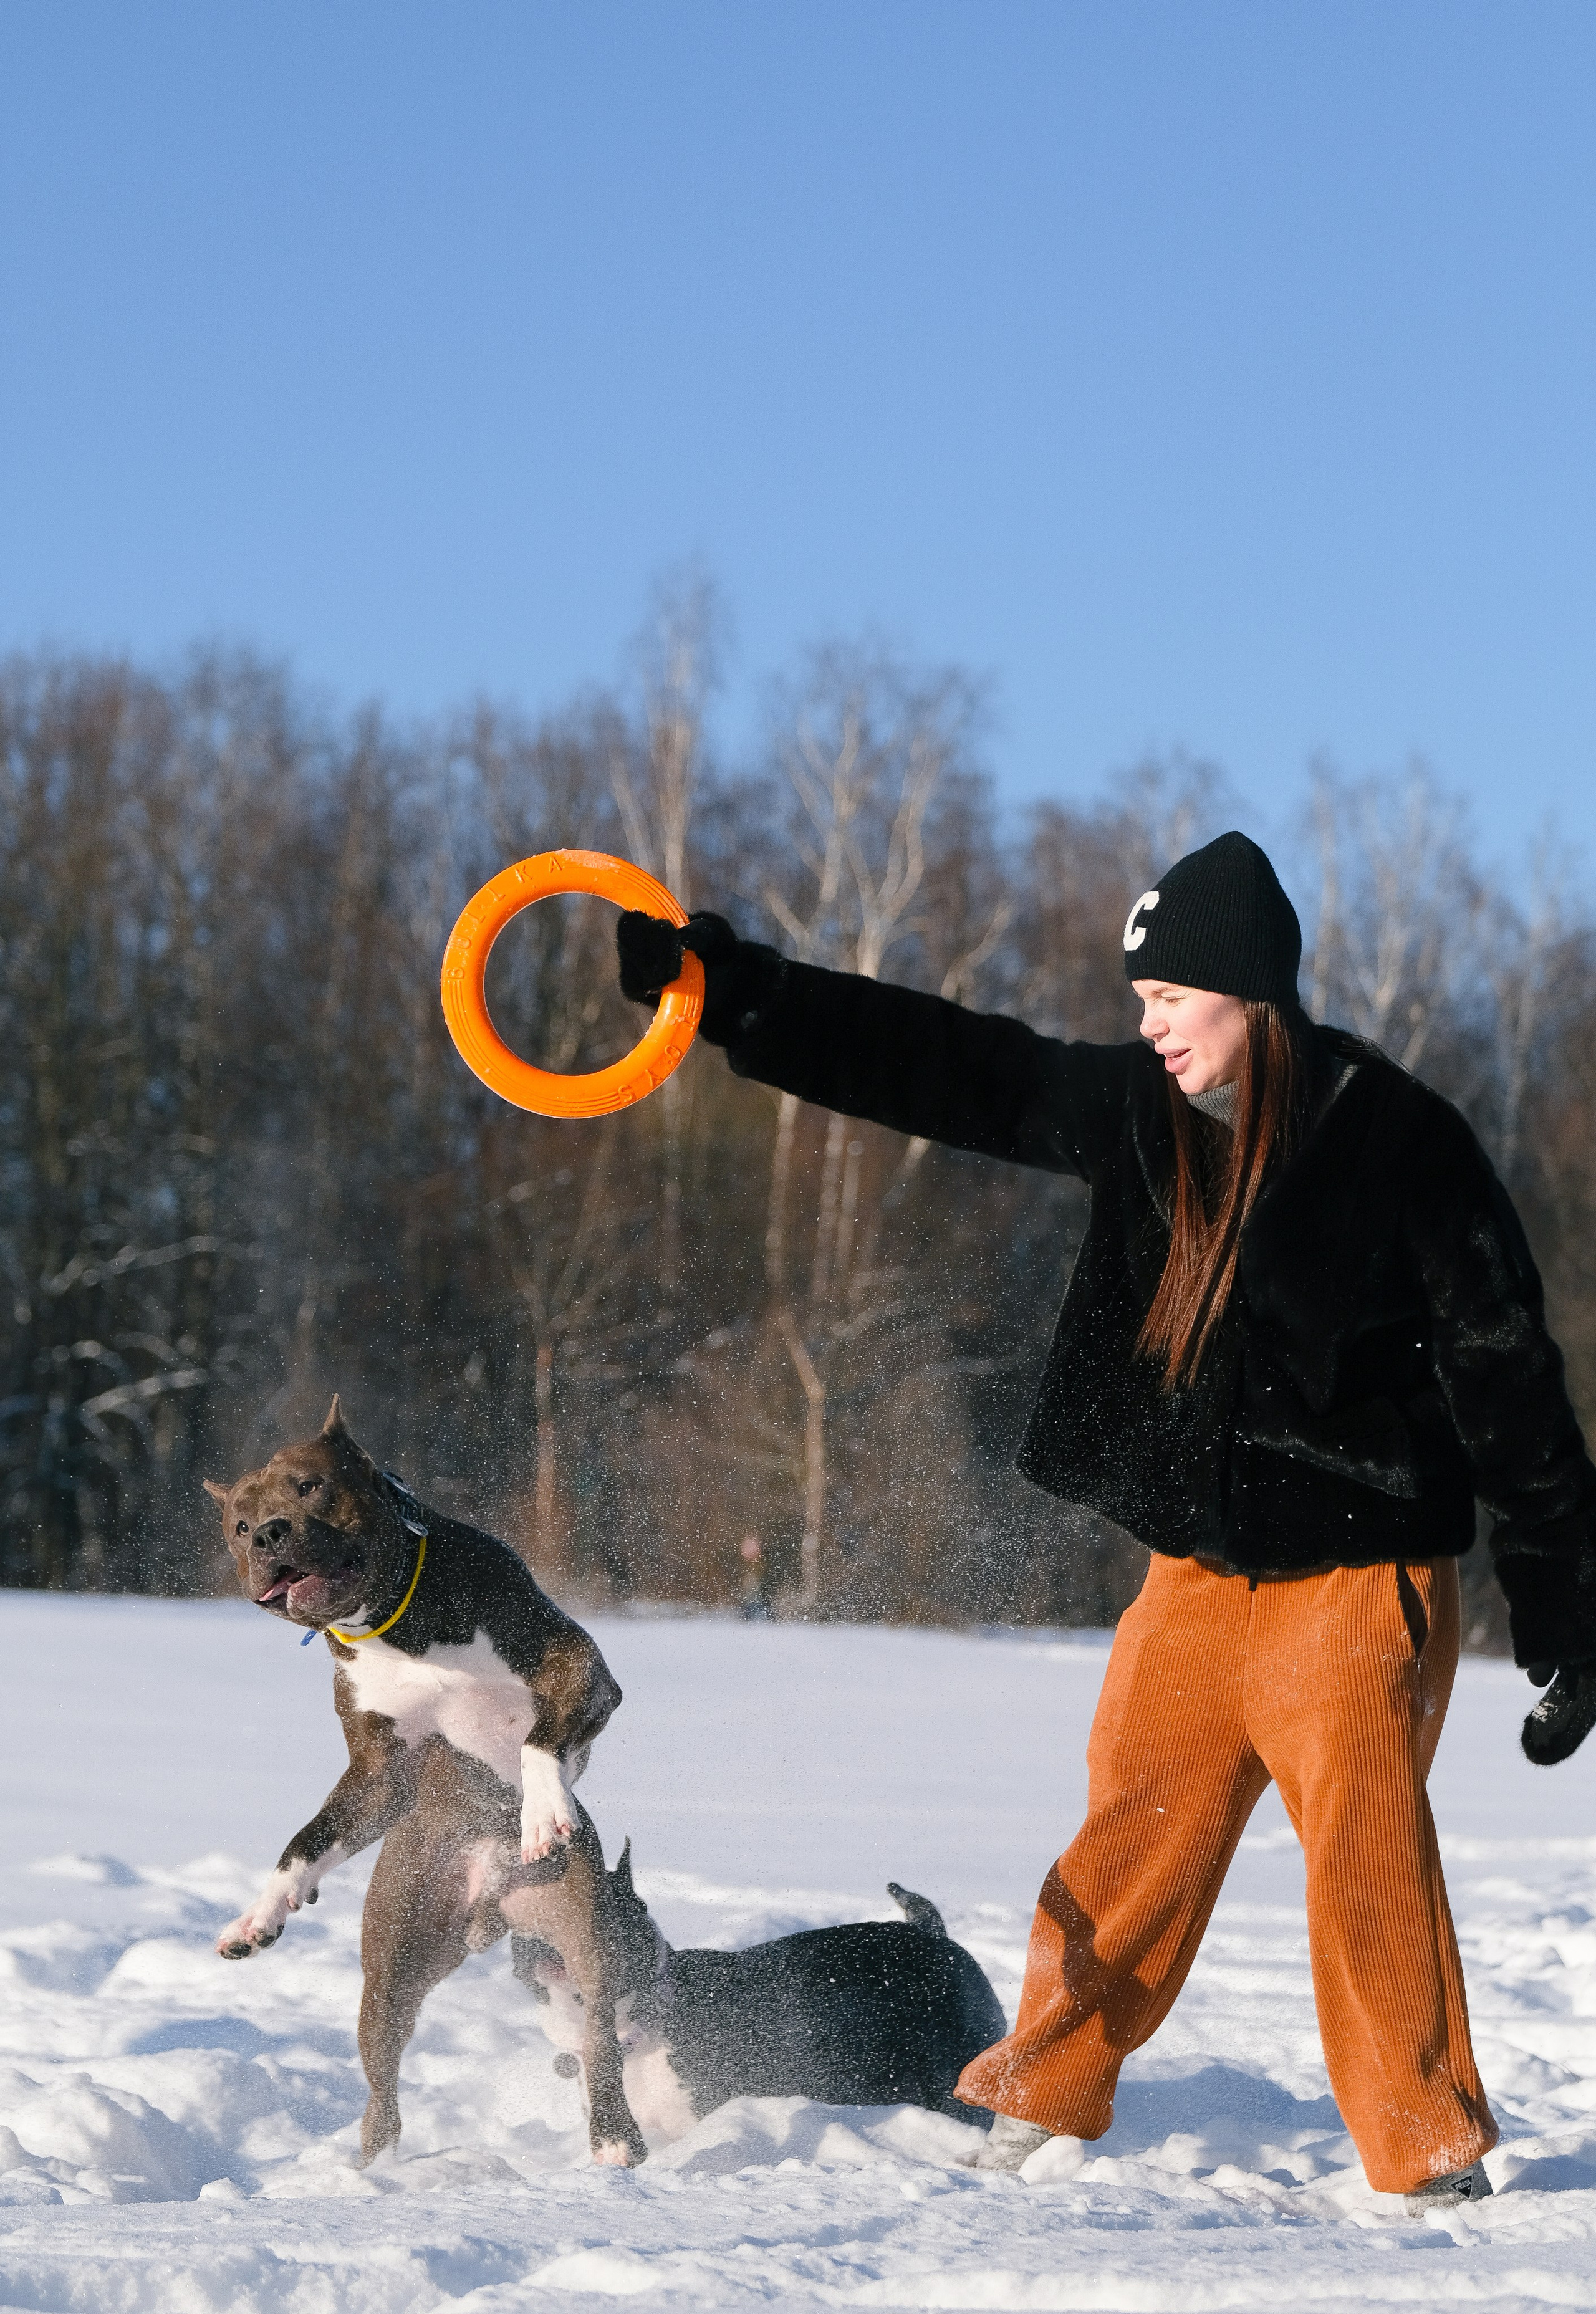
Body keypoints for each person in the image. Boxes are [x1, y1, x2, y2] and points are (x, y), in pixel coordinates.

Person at [616, 831, 1596, 2210]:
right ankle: (1039, 2090)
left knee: (1365, 1865)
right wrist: (731, 994)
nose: (1149, 1025)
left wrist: (1565, 1605)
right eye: (1140, 1000)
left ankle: (1428, 2154)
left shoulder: (1400, 1140)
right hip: (1194, 1579)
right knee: (1127, 1840)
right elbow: (958, 1066)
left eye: (1172, 998)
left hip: (1356, 1575)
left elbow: (1506, 1371)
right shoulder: (1139, 1111)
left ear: (1251, 992)